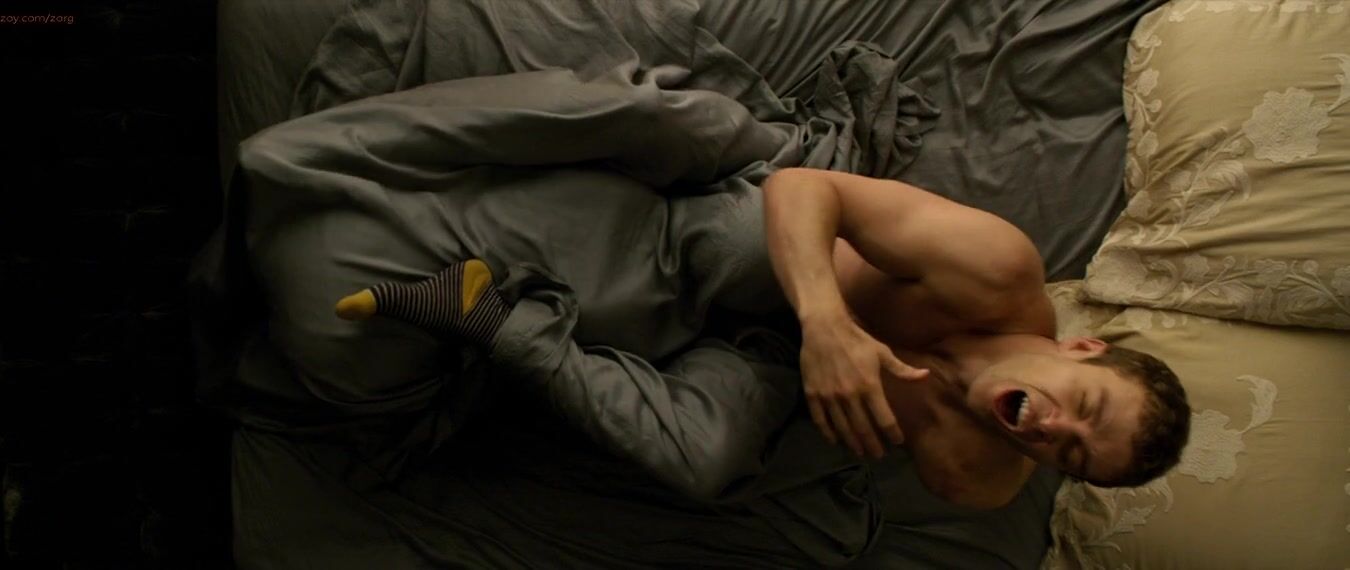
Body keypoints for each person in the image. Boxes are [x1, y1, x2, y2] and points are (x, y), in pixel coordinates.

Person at [334, 165, 1190, 509]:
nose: (1051, 431)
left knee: (706, 466)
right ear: (1083, 350)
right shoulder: (996, 271)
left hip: (767, 361)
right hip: (783, 266)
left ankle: (488, 319)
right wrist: (827, 324)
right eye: (1084, 408)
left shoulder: (976, 479)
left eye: (1071, 456)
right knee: (727, 249)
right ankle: (540, 295)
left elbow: (832, 441)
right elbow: (801, 187)